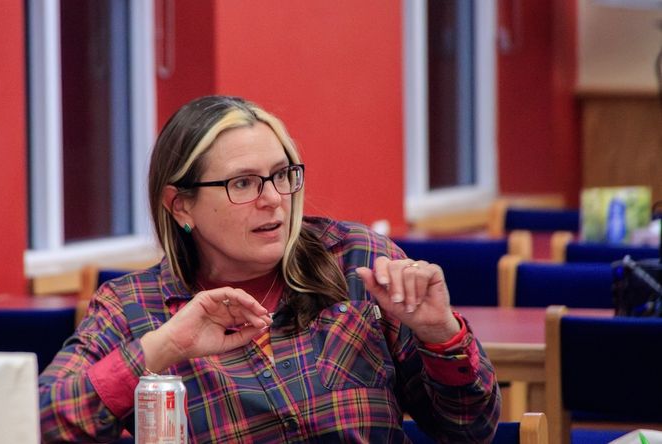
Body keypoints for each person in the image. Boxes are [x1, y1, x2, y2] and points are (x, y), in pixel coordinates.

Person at [39, 95, 501, 443]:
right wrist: (165, 347)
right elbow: (38, 423)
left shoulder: (357, 261)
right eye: (243, 183)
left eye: (282, 175)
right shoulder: (133, 309)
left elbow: (470, 428)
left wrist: (440, 334)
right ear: (181, 206)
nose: (275, 199)